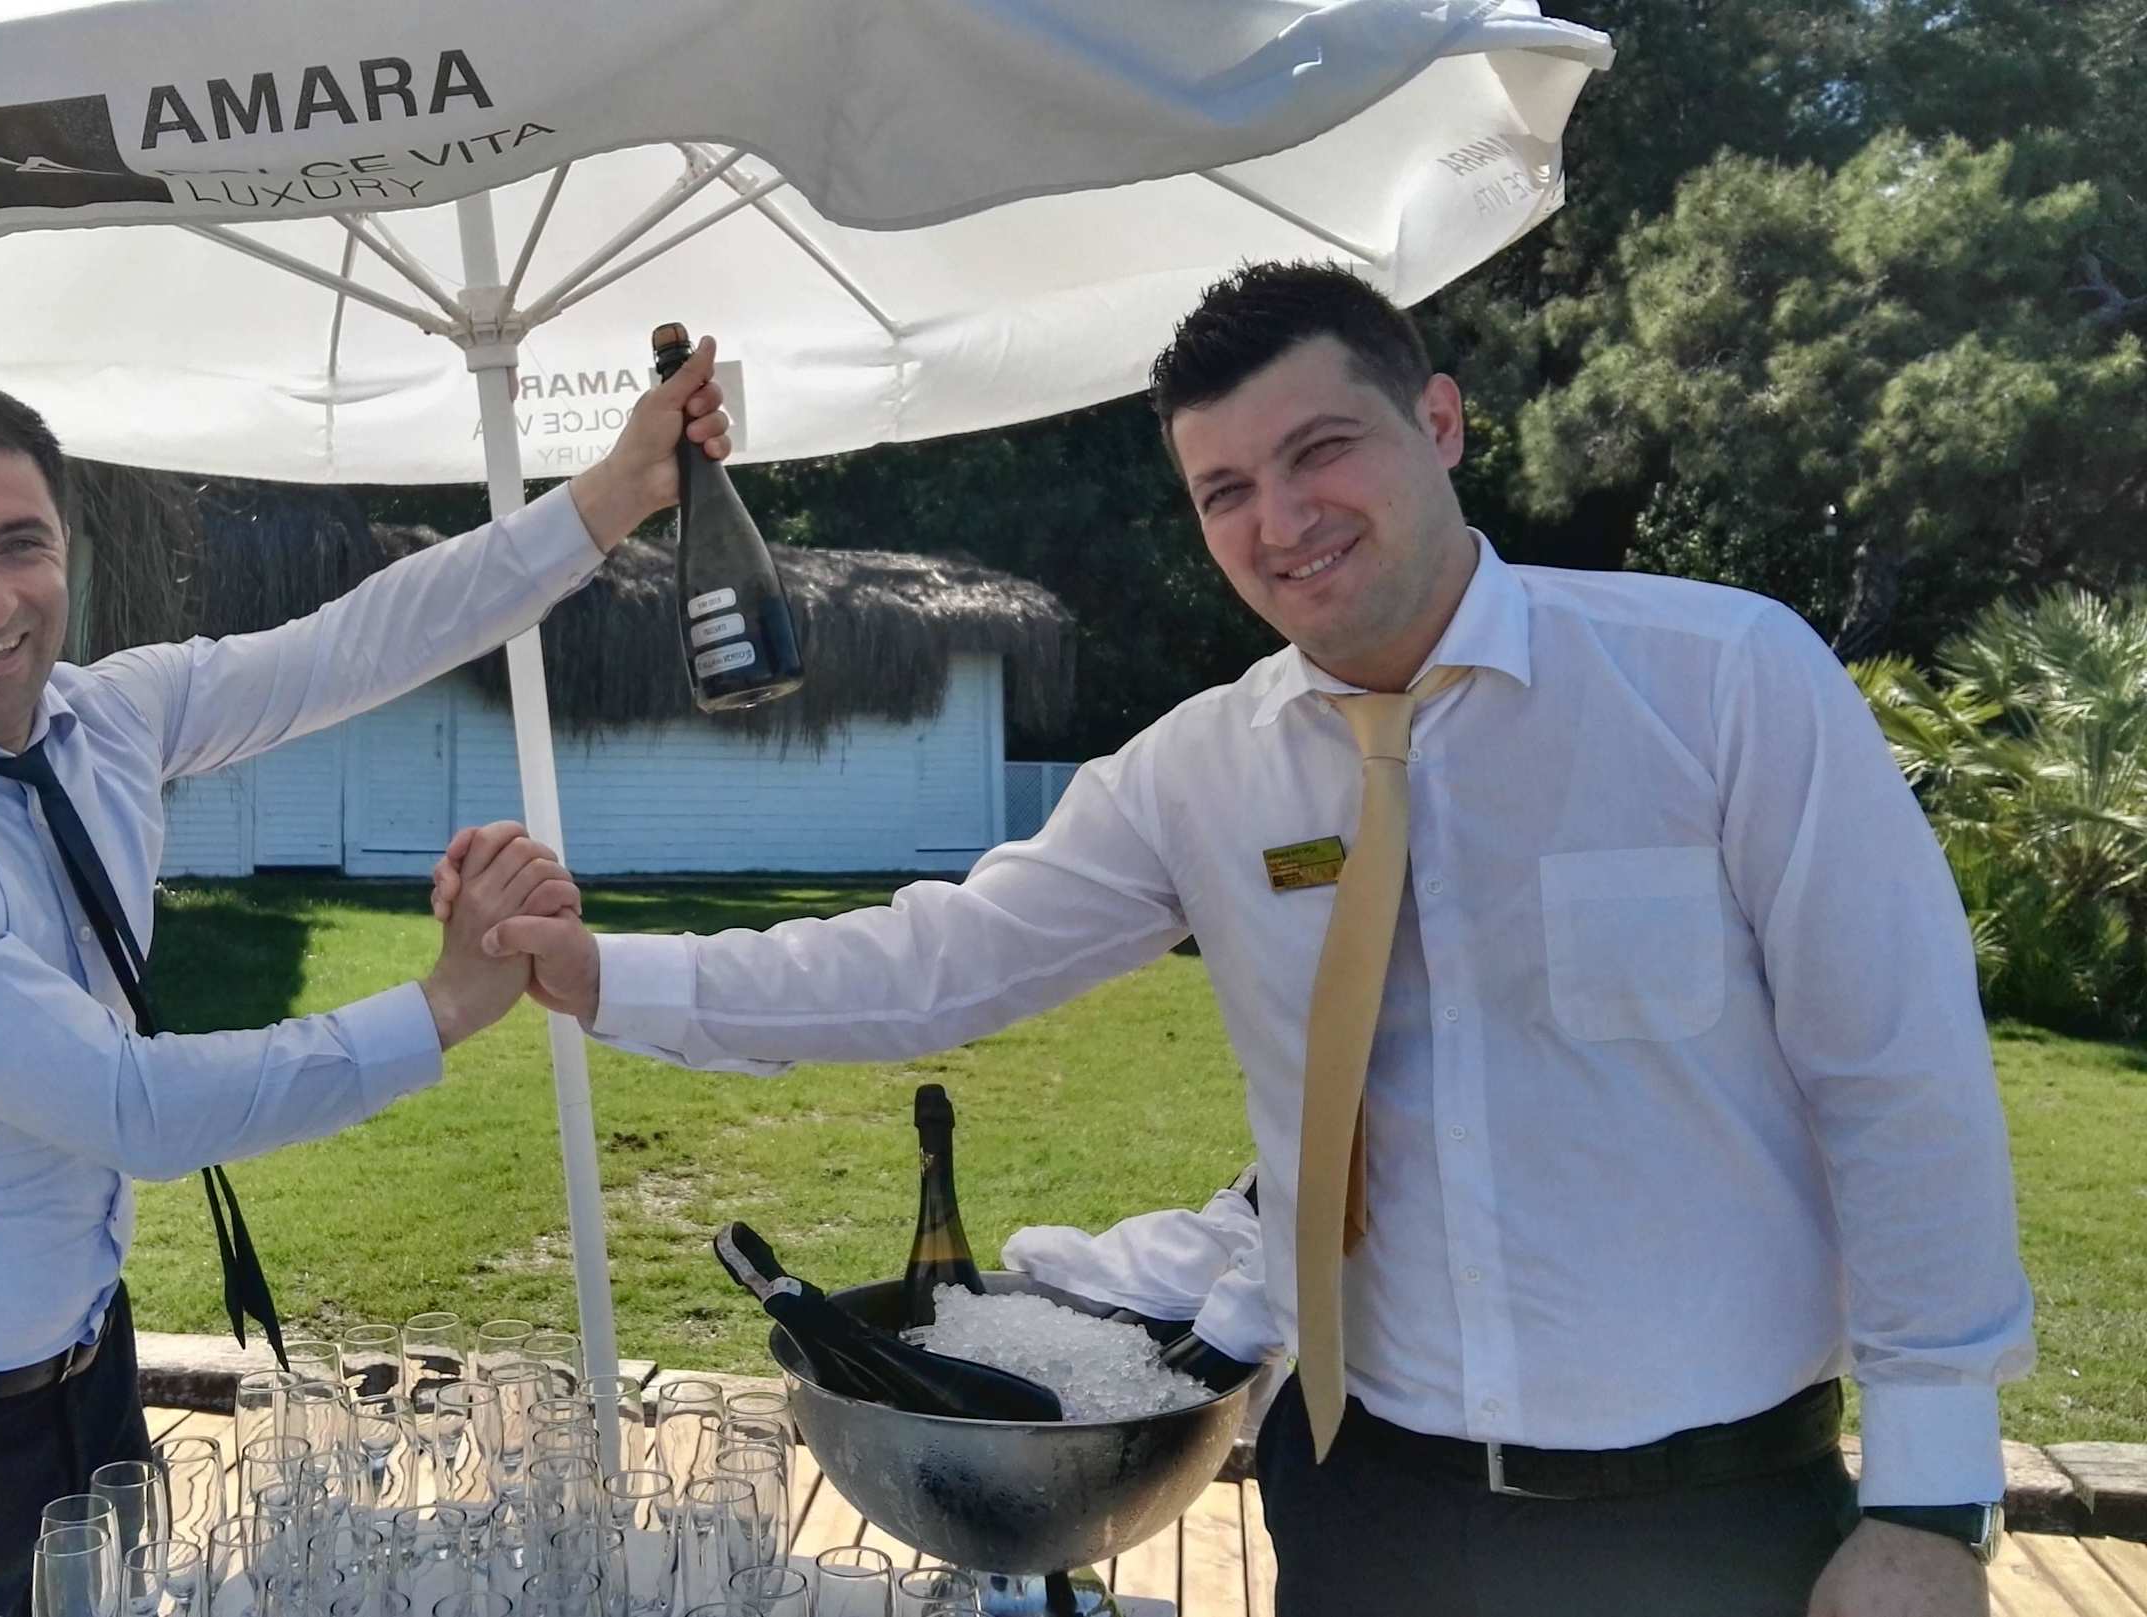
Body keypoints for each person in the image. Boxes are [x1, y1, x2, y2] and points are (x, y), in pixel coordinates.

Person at [445, 264, 2033, 1617]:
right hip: (1364, 1503)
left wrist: (1931, 1497)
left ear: (1440, 422)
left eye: (1320, 450)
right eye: (1224, 491)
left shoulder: (1724, 683)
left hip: (1711, 1519)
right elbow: (942, 959)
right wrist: (608, 974)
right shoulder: (1203, 772)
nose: (1280, 519)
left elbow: (1897, 1074)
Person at [0, 349, 723, 1616]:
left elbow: (353, 645)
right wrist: (444, 1007)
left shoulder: (104, 720)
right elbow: (132, 1110)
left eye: (22, 544)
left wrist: (616, 493)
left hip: (87, 1368)